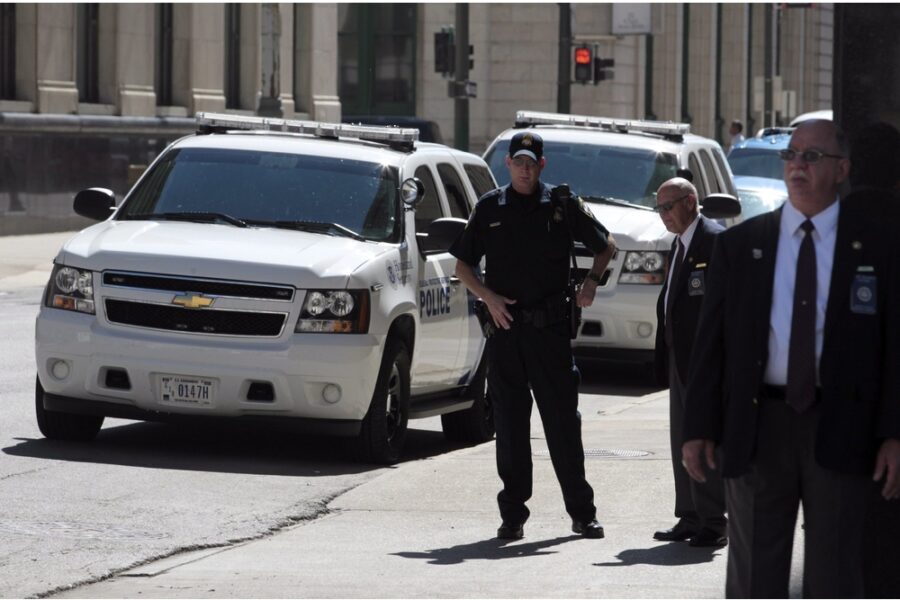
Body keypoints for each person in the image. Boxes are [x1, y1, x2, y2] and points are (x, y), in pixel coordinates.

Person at [682, 119, 900, 598]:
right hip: (759, 426)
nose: (798, 165)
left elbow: (892, 347)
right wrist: (698, 427)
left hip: (841, 426)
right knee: (755, 576)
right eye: (792, 155)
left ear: (842, 169)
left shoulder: (878, 246)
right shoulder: (741, 246)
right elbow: (710, 346)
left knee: (835, 574)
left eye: (812, 157)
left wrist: (893, 433)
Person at [450, 131, 616, 540]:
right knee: (509, 427)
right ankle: (512, 516)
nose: (525, 170)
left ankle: (582, 513)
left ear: (542, 166)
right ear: (507, 164)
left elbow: (606, 245)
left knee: (562, 425)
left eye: (531, 164)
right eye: (518, 163)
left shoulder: (561, 205)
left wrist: (591, 283)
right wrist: (488, 297)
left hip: (550, 333)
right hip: (505, 332)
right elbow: (463, 267)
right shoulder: (490, 207)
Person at [651, 177, 727, 547]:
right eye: (658, 208)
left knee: (702, 435)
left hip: (705, 360)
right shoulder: (679, 243)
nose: (663, 215)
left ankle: (713, 521)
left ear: (690, 202)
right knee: (682, 437)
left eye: (668, 207)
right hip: (679, 357)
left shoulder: (714, 240)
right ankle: (689, 515)